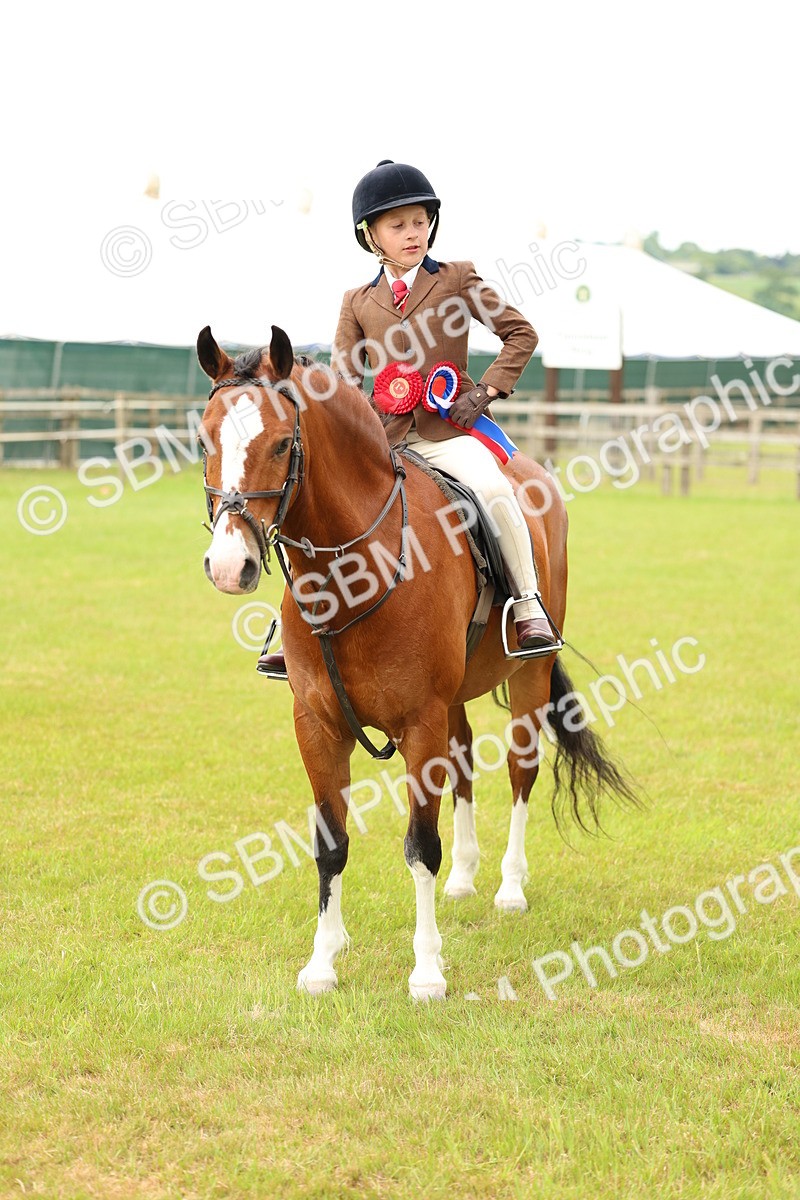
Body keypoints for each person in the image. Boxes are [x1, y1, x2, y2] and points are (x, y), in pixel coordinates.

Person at [258, 159, 558, 677]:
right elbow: (346, 381)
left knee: (494, 490)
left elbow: (521, 334)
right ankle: (294, 627)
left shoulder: (458, 279)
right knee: (318, 508)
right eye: (398, 225)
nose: (412, 233)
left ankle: (528, 605)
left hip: (447, 432)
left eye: (420, 221)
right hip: (381, 439)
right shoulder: (357, 301)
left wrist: (484, 390)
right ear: (371, 235)